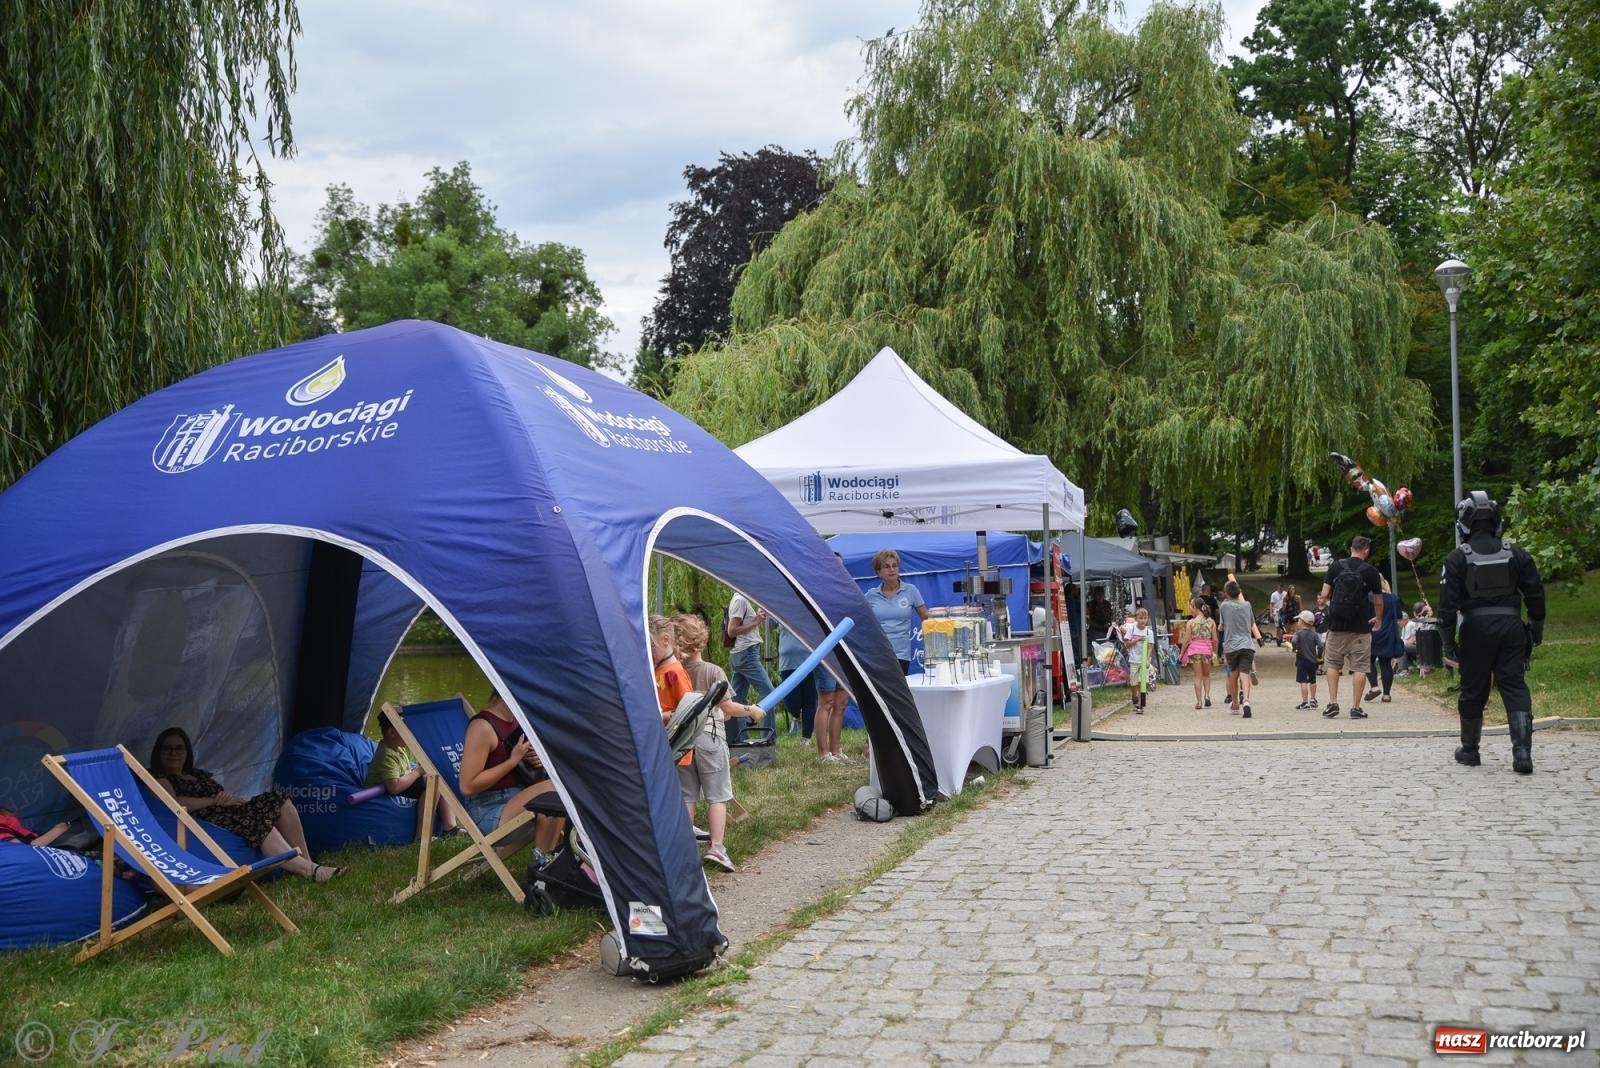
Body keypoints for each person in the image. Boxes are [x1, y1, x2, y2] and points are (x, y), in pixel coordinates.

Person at [1439, 491, 1546, 773]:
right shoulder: (1516, 553)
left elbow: (1447, 606)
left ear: (1463, 524)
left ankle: (1470, 750)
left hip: (1475, 628)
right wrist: (1536, 627)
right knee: (1513, 685)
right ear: (1497, 522)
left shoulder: (1456, 558)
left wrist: (1448, 643)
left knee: (1474, 688)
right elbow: (1535, 592)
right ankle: (1522, 753)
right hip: (1511, 626)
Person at [149, 727, 342, 881]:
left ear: (187, 752)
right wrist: (214, 801)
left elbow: (221, 794)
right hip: (208, 819)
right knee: (257, 820)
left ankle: (308, 862)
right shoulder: (161, 777)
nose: (173, 753)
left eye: (179, 748)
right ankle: (309, 871)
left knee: (280, 799)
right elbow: (172, 803)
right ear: (158, 752)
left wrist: (233, 800)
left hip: (229, 810)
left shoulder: (198, 774)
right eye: (167, 748)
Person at [457, 690, 562, 853]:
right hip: (488, 811)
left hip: (515, 799)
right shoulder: (482, 727)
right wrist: (513, 760)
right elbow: (467, 786)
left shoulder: (516, 720)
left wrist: (528, 759)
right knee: (554, 790)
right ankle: (545, 869)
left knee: (561, 788)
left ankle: (551, 865)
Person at [1316, 535, 1383, 719]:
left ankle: (1332, 703)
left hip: (1337, 624)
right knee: (1360, 666)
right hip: (1360, 625)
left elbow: (1324, 595)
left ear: (1350, 548)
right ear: (1366, 550)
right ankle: (1355, 707)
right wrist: (1378, 619)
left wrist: (1327, 603)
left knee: (1332, 663)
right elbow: (1378, 600)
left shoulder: (1335, 567)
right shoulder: (1371, 571)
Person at [366, 710, 458, 836]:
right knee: (433, 787)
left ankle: (450, 828)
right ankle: (422, 836)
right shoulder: (386, 755)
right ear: (392, 732)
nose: (412, 734)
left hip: (400, 786)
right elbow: (394, 787)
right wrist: (418, 771)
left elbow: (406, 774)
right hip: (383, 791)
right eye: (407, 731)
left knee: (438, 780)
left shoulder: (398, 750)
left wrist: (423, 773)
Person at [866, 549, 930, 673]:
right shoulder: (870, 595)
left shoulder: (911, 590)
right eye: (887, 566)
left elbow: (926, 618)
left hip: (901, 655)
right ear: (879, 572)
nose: (892, 569)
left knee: (898, 691)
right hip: (878, 654)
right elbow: (861, 622)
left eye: (895, 566)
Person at [724, 590, 774, 740]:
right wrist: (756, 621)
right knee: (770, 694)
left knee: (737, 700)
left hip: (741, 654)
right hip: (747, 655)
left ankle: (738, 740)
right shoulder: (740, 599)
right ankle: (768, 738)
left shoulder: (740, 599)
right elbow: (732, 631)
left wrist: (755, 618)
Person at [1217, 580, 1259, 718]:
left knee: (1232, 676)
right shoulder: (1247, 605)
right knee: (1244, 674)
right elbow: (1251, 623)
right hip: (1247, 644)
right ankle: (1246, 700)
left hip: (1231, 646)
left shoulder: (1224, 606)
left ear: (1226, 593)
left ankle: (1235, 704)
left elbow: (1222, 625)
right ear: (1239, 592)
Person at [1364, 578, 1405, 703]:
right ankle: (1386, 694)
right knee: (1385, 663)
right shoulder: (1393, 597)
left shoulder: (1370, 596)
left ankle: (1374, 686)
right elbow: (1399, 615)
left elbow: (1365, 614)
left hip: (1373, 631)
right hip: (1389, 632)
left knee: (1367, 660)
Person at [776, 625, 818, 738]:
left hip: (808, 661)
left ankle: (806, 737)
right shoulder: (782, 608)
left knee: (809, 701)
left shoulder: (810, 609)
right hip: (787, 664)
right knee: (791, 700)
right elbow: (768, 624)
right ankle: (798, 717)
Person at [1178, 598, 1215, 709]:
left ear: (1195, 608)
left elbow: (1186, 640)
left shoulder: (1191, 623)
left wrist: (1181, 653)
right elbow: (1216, 639)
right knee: (1206, 675)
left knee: (1197, 677)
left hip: (1195, 652)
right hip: (1207, 651)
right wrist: (1215, 652)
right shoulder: (1211, 621)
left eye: (1190, 606)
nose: (1189, 608)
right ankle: (1207, 696)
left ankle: (1199, 702)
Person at [1120, 607, 1156, 713]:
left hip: (1143, 660)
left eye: (1145, 618)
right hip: (1133, 660)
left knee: (1142, 682)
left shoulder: (1149, 632)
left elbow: (1150, 646)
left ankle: (1141, 704)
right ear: (1136, 619)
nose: (1143, 620)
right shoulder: (1131, 630)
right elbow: (1126, 645)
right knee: (1133, 682)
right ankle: (1134, 696)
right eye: (1140, 618)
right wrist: (1137, 639)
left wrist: (1148, 659)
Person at [1290, 610, 1321, 710]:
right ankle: (1313, 699)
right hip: (1313, 660)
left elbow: (1294, 641)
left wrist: (1294, 648)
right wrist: (1319, 656)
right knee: (1312, 680)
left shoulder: (1298, 633)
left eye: (1298, 620)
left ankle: (1305, 702)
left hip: (1302, 659)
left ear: (1302, 621)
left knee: (1303, 681)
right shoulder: (1314, 634)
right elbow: (1320, 646)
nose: (1297, 622)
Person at [0, 805, 70, 846]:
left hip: (44, 840)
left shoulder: (3, 813)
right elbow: (21, 849)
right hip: (46, 849)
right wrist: (58, 830)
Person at [1399, 601, 1430, 676]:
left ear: (1414, 613)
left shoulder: (1415, 623)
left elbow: (1412, 640)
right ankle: (1409, 667)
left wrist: (1413, 640)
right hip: (1427, 649)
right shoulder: (1427, 620)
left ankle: (1404, 670)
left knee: (1401, 647)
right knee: (1404, 647)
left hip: (1422, 648)